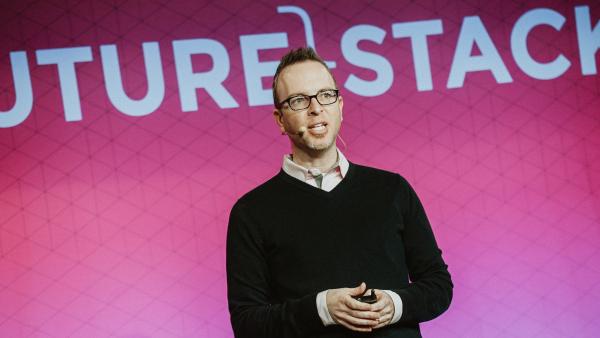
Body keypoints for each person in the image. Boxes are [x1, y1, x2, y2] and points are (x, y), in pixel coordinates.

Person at [226, 47, 452, 338]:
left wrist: (394, 305)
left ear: (340, 106)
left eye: (325, 95)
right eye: (298, 100)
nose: (316, 108)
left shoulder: (392, 189)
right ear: (280, 120)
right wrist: (322, 309)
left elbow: (438, 285)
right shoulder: (251, 212)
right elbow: (247, 323)